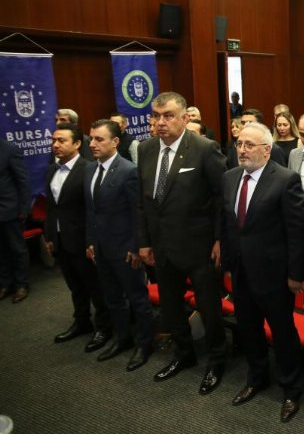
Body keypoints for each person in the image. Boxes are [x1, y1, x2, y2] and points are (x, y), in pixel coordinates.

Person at [136, 92, 227, 395]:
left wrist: (219, 239)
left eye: (168, 116)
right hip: (162, 246)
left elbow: (222, 198)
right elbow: (143, 202)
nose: (160, 122)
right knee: (172, 307)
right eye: (156, 116)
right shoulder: (147, 149)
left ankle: (216, 361)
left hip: (199, 246)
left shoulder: (204, 149)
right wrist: (145, 242)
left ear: (185, 118)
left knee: (209, 310)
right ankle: (184, 354)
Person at [221, 123, 304, 423]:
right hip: (241, 271)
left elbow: (297, 231)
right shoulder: (230, 177)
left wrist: (296, 274)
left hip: (274, 275)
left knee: (282, 333)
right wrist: (227, 262)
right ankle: (257, 377)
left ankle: (292, 388)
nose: (242, 150)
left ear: (267, 150)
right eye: (239, 144)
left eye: (249, 145)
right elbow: (228, 223)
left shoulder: (285, 179)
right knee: (248, 328)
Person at [84, 120, 154, 370]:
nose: (92, 144)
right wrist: (90, 242)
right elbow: (91, 212)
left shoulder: (128, 171)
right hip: (101, 248)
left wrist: (137, 247)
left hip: (125, 249)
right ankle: (123, 338)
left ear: (115, 142)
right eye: (91, 138)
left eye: (99, 139)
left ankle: (145, 344)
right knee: (112, 298)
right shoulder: (90, 170)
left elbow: (138, 212)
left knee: (137, 299)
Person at [45, 123, 112, 351]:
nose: (56, 145)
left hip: (83, 240)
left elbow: (93, 210)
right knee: (74, 286)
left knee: (95, 286)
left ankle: (104, 327)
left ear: (76, 144)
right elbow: (52, 207)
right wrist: (49, 235)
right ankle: (82, 322)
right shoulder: (51, 170)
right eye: (53, 140)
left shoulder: (88, 170)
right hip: (60, 239)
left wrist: (91, 241)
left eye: (62, 140)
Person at [0, 139, 31, 303]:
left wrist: (24, 209)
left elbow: (23, 180)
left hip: (10, 209)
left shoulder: (9, 149)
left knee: (17, 249)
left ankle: (21, 284)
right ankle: (6, 283)